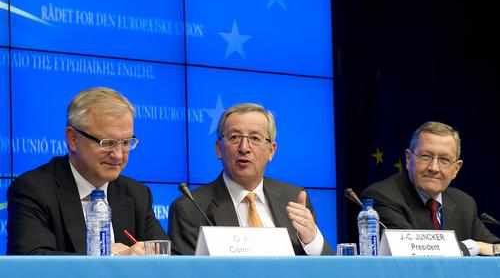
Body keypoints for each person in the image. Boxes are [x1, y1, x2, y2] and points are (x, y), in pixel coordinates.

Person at [7, 87, 168, 255]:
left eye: (126, 142)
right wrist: (111, 259)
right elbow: (32, 262)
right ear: (73, 139)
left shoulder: (136, 194)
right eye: (107, 143)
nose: (119, 155)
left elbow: (164, 257)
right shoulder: (34, 190)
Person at [168, 103, 333, 255]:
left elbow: (332, 270)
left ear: (271, 150)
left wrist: (313, 240)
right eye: (234, 137)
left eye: (254, 138)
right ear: (219, 149)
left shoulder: (293, 198)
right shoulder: (190, 208)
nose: (244, 148)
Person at [362, 121, 500, 256]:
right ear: (408, 158)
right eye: (425, 157)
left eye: (444, 160)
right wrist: (474, 246)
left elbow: (494, 247)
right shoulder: (381, 197)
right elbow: (412, 251)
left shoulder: (464, 203)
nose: (434, 168)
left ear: (456, 169)